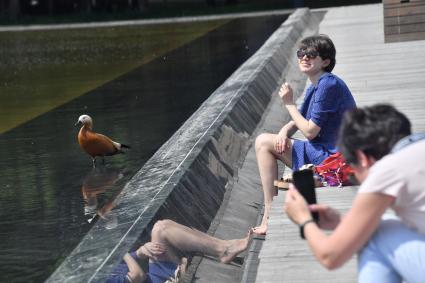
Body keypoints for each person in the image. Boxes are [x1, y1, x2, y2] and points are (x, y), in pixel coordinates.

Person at [285, 104, 425, 282]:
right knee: (381, 226)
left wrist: (304, 219)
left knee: (374, 237)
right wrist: (344, 223)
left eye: (352, 167)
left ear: (362, 158)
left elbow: (330, 256)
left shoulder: (386, 170)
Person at [253, 34, 356, 234]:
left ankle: (269, 215)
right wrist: (284, 131)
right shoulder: (317, 85)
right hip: (329, 153)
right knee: (266, 141)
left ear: (326, 61)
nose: (304, 58)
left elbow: (309, 131)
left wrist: (289, 102)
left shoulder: (328, 85)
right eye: (301, 53)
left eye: (311, 54)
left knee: (263, 142)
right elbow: (300, 118)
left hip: (337, 159)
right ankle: (273, 209)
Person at [107, 219, 252, 283]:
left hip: (154, 275)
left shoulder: (99, 268)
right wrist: (121, 251)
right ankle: (224, 250)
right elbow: (137, 276)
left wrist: (142, 251)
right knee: (162, 229)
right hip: (159, 280)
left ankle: (223, 248)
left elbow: (132, 258)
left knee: (161, 227)